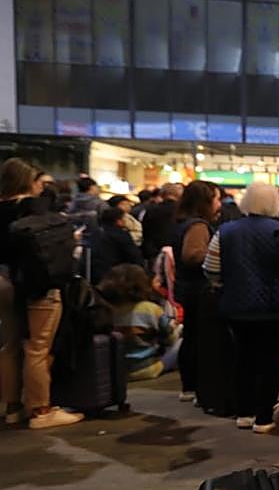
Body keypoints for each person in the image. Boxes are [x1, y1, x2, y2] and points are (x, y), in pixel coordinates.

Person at [203, 182, 279, 433]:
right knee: (271, 361)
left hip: (236, 305)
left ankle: (244, 412)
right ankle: (264, 417)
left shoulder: (226, 230)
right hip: (276, 306)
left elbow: (210, 269)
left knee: (243, 358)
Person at [0, 158, 82, 429]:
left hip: (2, 280)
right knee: (37, 346)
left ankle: (11, 406)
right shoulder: (32, 208)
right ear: (30, 181)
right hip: (33, 283)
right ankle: (41, 410)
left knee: (8, 345)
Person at [172, 180, 221, 404]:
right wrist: (217, 255)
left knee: (190, 337)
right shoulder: (198, 226)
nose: (219, 204)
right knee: (197, 339)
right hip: (197, 290)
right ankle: (193, 385)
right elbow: (192, 255)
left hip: (186, 288)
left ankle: (189, 385)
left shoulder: (183, 222)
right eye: (216, 199)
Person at [98, 263, 180, 381]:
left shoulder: (106, 309)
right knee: (182, 342)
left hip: (118, 371)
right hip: (148, 368)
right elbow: (170, 339)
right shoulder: (150, 309)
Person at [89, 205, 143, 285]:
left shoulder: (95, 233)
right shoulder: (120, 235)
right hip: (117, 275)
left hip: (96, 274)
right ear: (118, 221)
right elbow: (133, 255)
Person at [142, 182, 183, 262]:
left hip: (155, 250)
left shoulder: (151, 210)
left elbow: (145, 231)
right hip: (176, 250)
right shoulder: (182, 210)